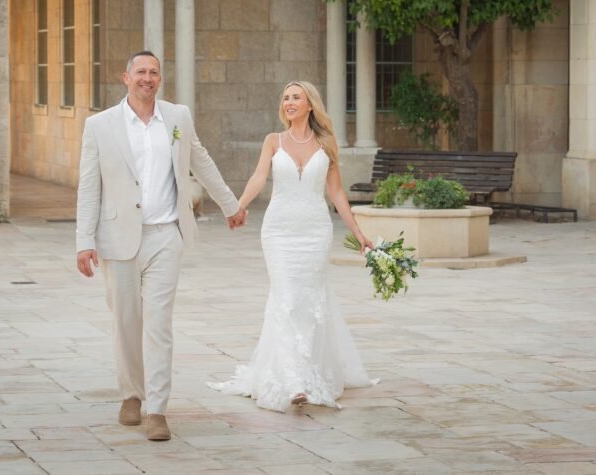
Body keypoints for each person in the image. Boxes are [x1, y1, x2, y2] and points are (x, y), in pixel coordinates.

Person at [76, 51, 246, 441]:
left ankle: (157, 408)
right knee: (125, 322)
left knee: (158, 323)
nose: (147, 79)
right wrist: (84, 240)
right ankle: (130, 395)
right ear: (126, 77)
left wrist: (230, 204)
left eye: (153, 73)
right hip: (118, 238)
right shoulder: (100, 126)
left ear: (160, 79)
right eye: (140, 72)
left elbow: (199, 160)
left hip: (166, 234)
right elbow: (89, 185)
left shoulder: (177, 117)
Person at [207, 80, 378, 411]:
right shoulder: (274, 141)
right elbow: (259, 177)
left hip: (315, 231)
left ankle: (307, 370)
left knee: (308, 302)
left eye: (295, 97)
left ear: (310, 105)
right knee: (285, 299)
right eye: (285, 97)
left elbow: (337, 193)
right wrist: (237, 206)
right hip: (279, 231)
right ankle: (294, 381)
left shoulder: (327, 143)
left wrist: (358, 233)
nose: (289, 102)